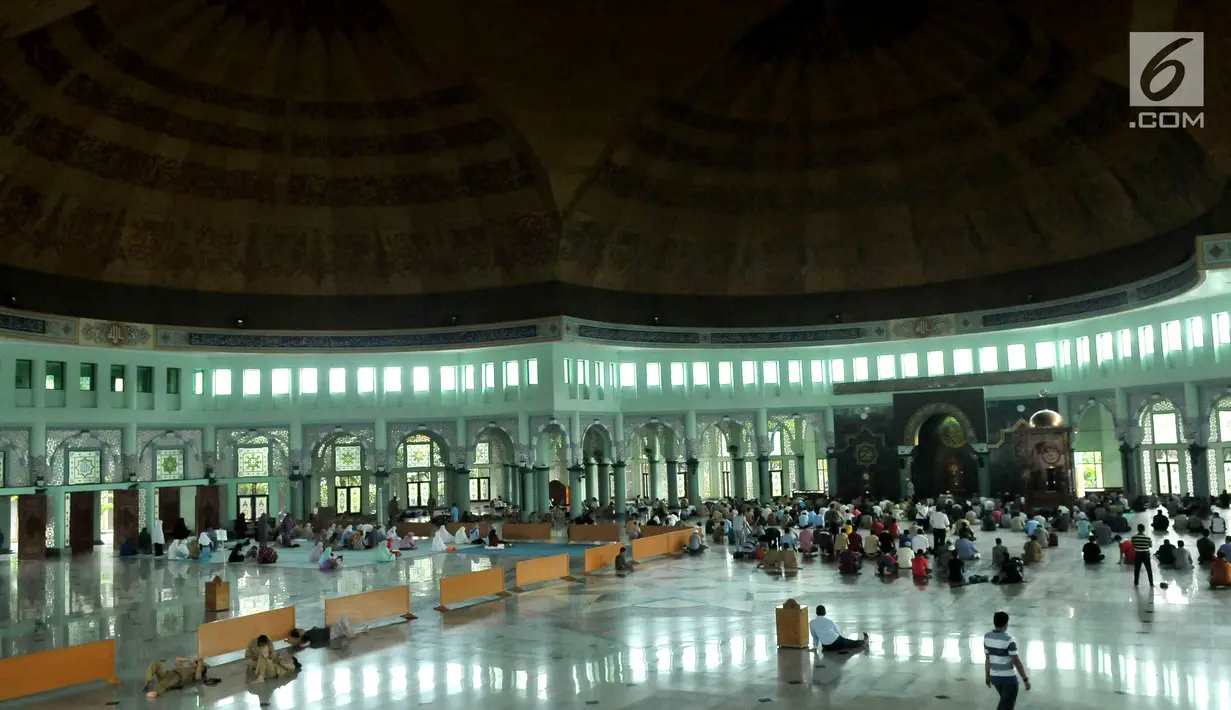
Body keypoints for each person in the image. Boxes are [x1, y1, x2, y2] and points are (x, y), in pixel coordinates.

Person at [984, 611, 1031, 710]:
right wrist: (1025, 679)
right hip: (1008, 680)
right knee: (1006, 706)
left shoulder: (987, 637)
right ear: (1006, 624)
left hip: (995, 678)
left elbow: (987, 658)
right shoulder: (1009, 640)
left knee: (1005, 702)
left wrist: (987, 676)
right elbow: (1016, 662)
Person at [143, 657, 211, 697]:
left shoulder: (196, 675)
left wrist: (202, 665)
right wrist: (190, 660)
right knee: (155, 663)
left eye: (201, 667)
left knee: (166, 683)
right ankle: (147, 681)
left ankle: (156, 692)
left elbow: (200, 660)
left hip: (177, 678)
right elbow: (178, 659)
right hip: (168, 673)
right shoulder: (186, 668)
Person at [289, 617, 365, 649]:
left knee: (345, 630)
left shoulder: (308, 632)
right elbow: (305, 644)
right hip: (331, 632)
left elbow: (315, 629)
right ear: (299, 634)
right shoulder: (306, 637)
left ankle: (363, 630)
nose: (301, 628)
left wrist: (315, 628)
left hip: (331, 633)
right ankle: (351, 635)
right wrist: (297, 644)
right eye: (299, 630)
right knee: (343, 619)